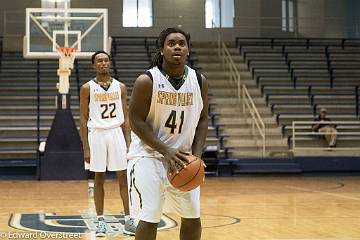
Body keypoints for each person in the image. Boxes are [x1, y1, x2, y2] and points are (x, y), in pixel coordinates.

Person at [127, 27, 208, 240]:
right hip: (148, 156)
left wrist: (196, 157)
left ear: (188, 50)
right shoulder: (147, 81)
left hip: (182, 159)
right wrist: (165, 150)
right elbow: (135, 121)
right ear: (162, 50)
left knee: (192, 216)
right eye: (171, 43)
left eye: (182, 43)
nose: (177, 47)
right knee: (150, 215)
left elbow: (203, 119)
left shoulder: (199, 81)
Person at [79, 51, 134, 237]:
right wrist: (85, 146)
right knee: (98, 179)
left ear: (109, 63)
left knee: (123, 178)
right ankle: (100, 220)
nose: (103, 63)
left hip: (115, 132)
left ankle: (129, 219)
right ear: (93, 65)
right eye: (99, 61)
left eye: (105, 60)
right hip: (97, 134)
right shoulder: (87, 88)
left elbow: (126, 116)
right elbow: (83, 117)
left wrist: (129, 141)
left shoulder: (121, 87)